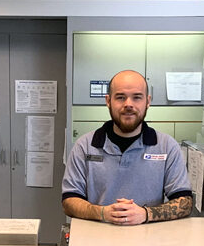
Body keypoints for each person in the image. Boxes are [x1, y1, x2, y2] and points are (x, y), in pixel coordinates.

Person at [62, 70, 192, 225]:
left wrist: (145, 214)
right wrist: (103, 212)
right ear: (108, 101)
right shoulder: (84, 146)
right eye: (120, 97)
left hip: (150, 241)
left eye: (137, 97)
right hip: (96, 241)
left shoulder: (167, 146)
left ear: (148, 101)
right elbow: (69, 201)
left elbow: (185, 202)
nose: (128, 104)